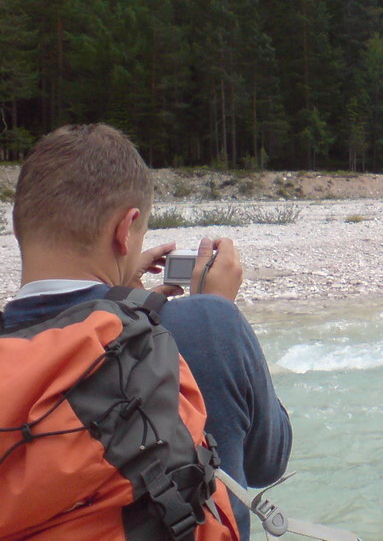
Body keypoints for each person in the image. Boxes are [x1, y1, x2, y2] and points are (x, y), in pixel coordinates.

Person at [3, 123, 292, 538]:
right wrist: (215, 311)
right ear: (126, 229)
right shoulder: (205, 324)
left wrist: (119, 302)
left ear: (18, 228)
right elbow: (269, 459)